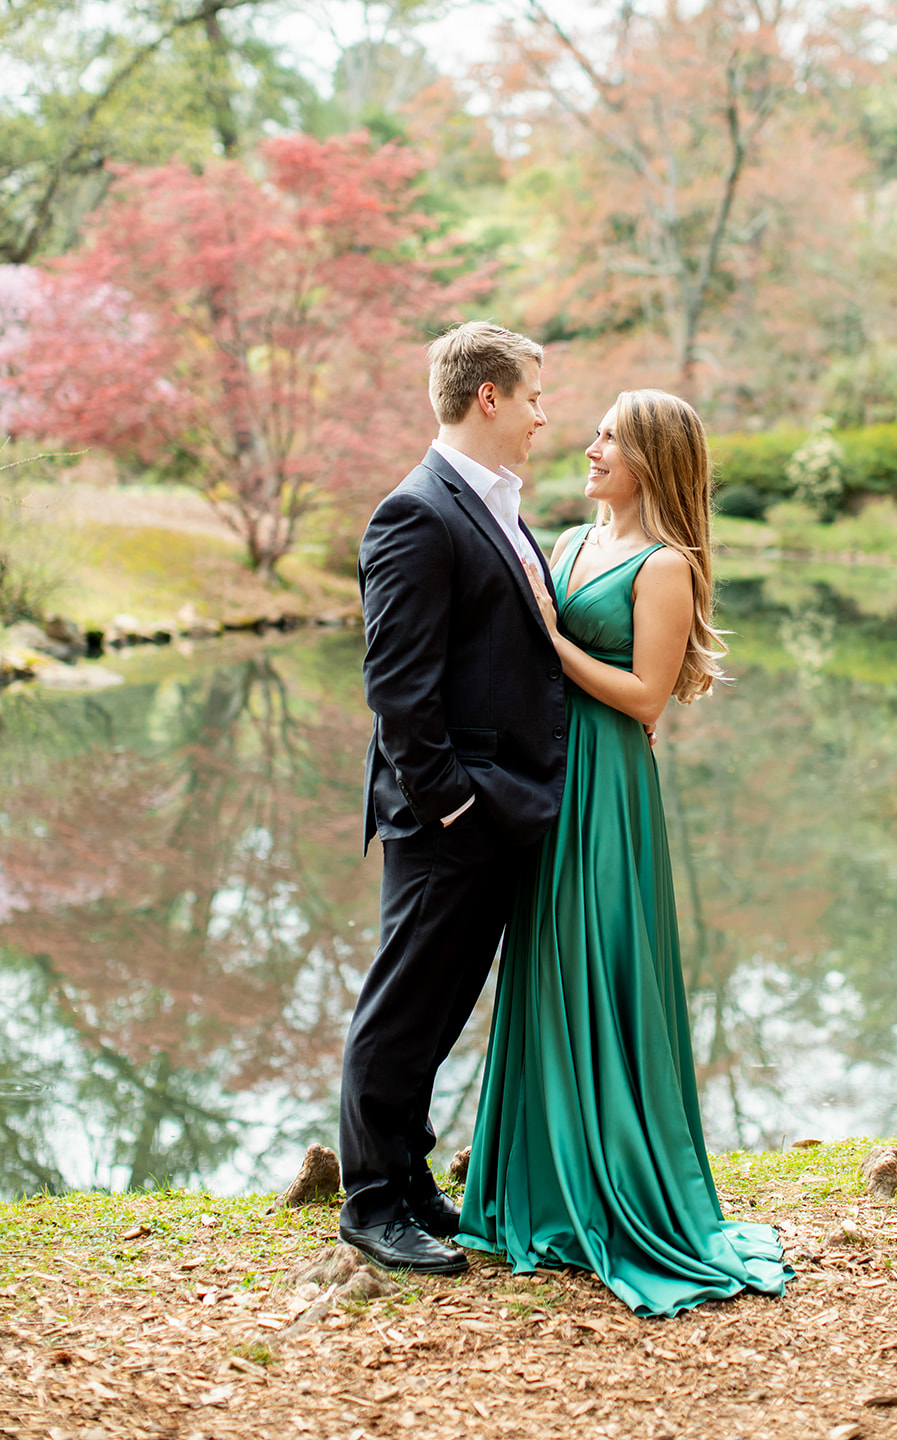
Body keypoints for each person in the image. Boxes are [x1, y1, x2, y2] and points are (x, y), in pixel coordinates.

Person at [455, 389, 794, 1315]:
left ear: (651, 457)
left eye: (611, 436)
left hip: (609, 786)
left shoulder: (664, 565)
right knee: (546, 966)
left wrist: (550, 635)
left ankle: (618, 1187)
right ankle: (540, 1185)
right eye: (598, 432)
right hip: (551, 777)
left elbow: (645, 699)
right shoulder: (564, 543)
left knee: (599, 962)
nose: (592, 446)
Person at [338, 321, 568, 1276]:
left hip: (495, 808)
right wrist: (453, 808)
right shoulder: (417, 513)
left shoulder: (496, 504)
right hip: (450, 816)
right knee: (402, 1007)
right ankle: (371, 1201)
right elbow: (397, 687)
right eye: (530, 398)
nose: (541, 418)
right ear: (487, 398)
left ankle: (413, 1178)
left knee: (440, 1007)